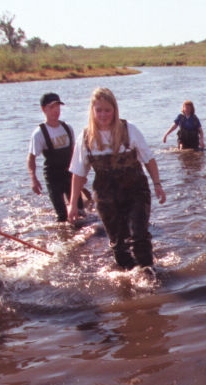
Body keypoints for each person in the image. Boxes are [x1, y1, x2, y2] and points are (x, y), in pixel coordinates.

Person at [68, 87, 167, 272]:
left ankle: (149, 275)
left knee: (139, 235)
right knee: (118, 241)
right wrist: (73, 204)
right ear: (92, 111)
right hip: (106, 196)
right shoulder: (85, 137)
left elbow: (149, 159)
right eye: (99, 110)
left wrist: (157, 185)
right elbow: (79, 173)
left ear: (115, 110)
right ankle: (128, 275)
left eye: (108, 110)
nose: (103, 114)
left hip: (136, 190)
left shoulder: (129, 130)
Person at [28, 92, 82, 222]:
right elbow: (31, 158)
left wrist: (81, 176)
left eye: (58, 106)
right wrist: (33, 179)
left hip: (70, 174)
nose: (56, 110)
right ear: (44, 109)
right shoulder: (39, 133)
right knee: (62, 216)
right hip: (53, 177)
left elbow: (75, 153)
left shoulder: (67, 128)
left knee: (80, 212)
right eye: (52, 107)